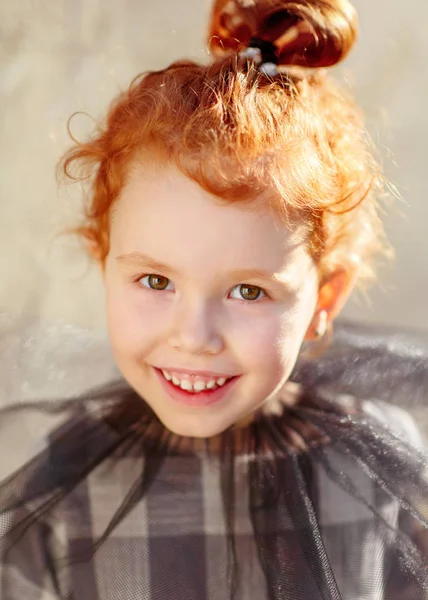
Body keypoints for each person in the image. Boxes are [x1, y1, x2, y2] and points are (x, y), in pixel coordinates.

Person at [0, 0, 427, 598]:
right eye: (155, 281)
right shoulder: (64, 486)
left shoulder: (381, 466)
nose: (193, 335)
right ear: (104, 263)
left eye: (247, 291)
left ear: (325, 295)